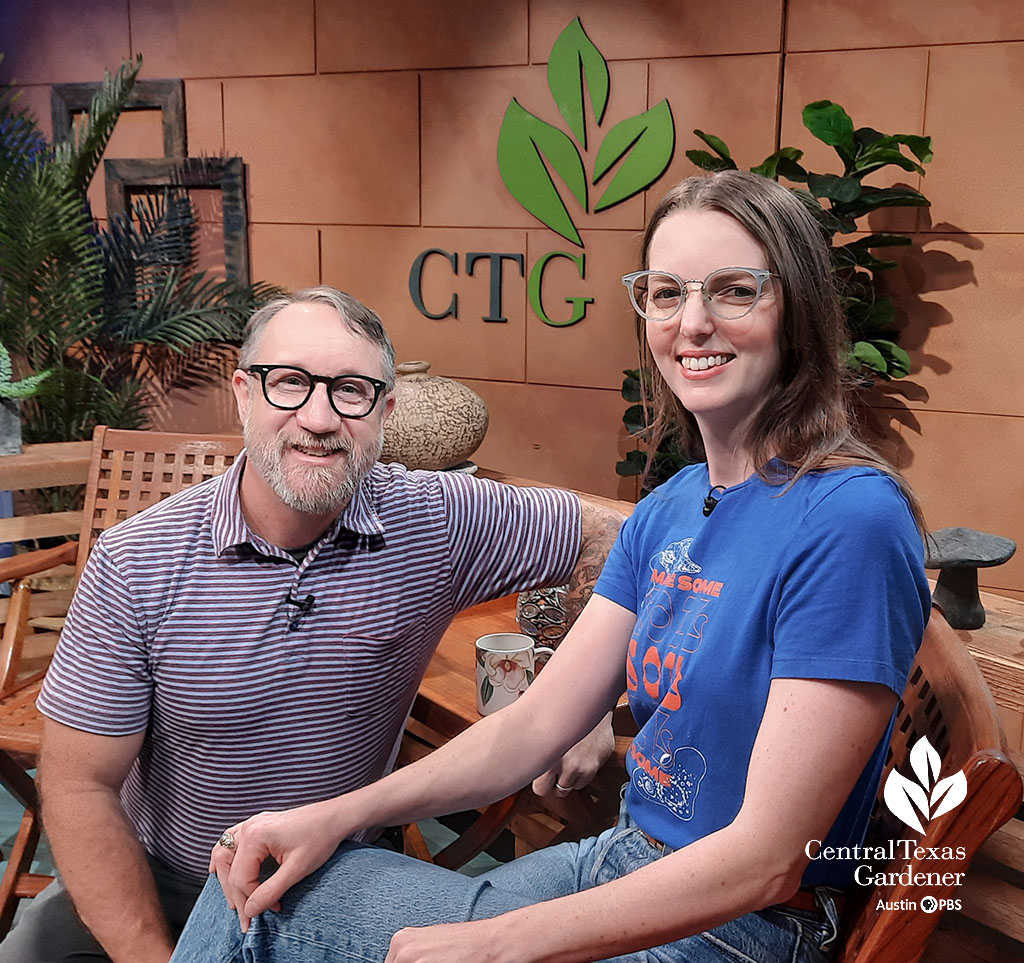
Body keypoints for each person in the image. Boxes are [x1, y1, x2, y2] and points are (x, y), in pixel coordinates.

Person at [171, 171, 931, 963]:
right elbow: (534, 724)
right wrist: (332, 812)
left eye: (735, 291)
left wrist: (496, 945)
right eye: (667, 294)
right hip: (620, 863)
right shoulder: (674, 504)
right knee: (259, 872)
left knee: (268, 914)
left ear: (796, 310)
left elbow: (768, 860)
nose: (694, 323)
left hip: (736, 926)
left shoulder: (849, 520)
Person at [2, 287, 624, 963]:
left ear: (385, 411)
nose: (320, 416)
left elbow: (621, 538)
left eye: (351, 389)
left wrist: (579, 684)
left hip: (331, 877)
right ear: (243, 394)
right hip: (158, 876)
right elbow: (76, 783)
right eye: (290, 382)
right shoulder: (138, 563)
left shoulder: (435, 520)